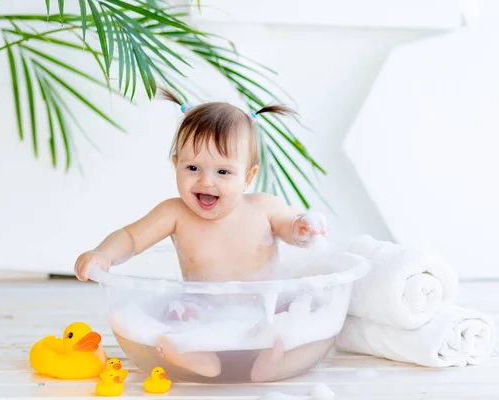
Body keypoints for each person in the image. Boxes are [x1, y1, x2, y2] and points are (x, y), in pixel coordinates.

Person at [74, 89, 329, 381]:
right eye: (193, 167)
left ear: (247, 176)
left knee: (307, 314)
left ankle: (275, 359)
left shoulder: (263, 207)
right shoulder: (175, 213)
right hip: (205, 315)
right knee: (174, 311)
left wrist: (303, 228)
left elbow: (290, 226)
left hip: (265, 311)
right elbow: (131, 238)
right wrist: (104, 253)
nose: (206, 181)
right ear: (175, 166)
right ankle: (203, 360)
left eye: (223, 171)